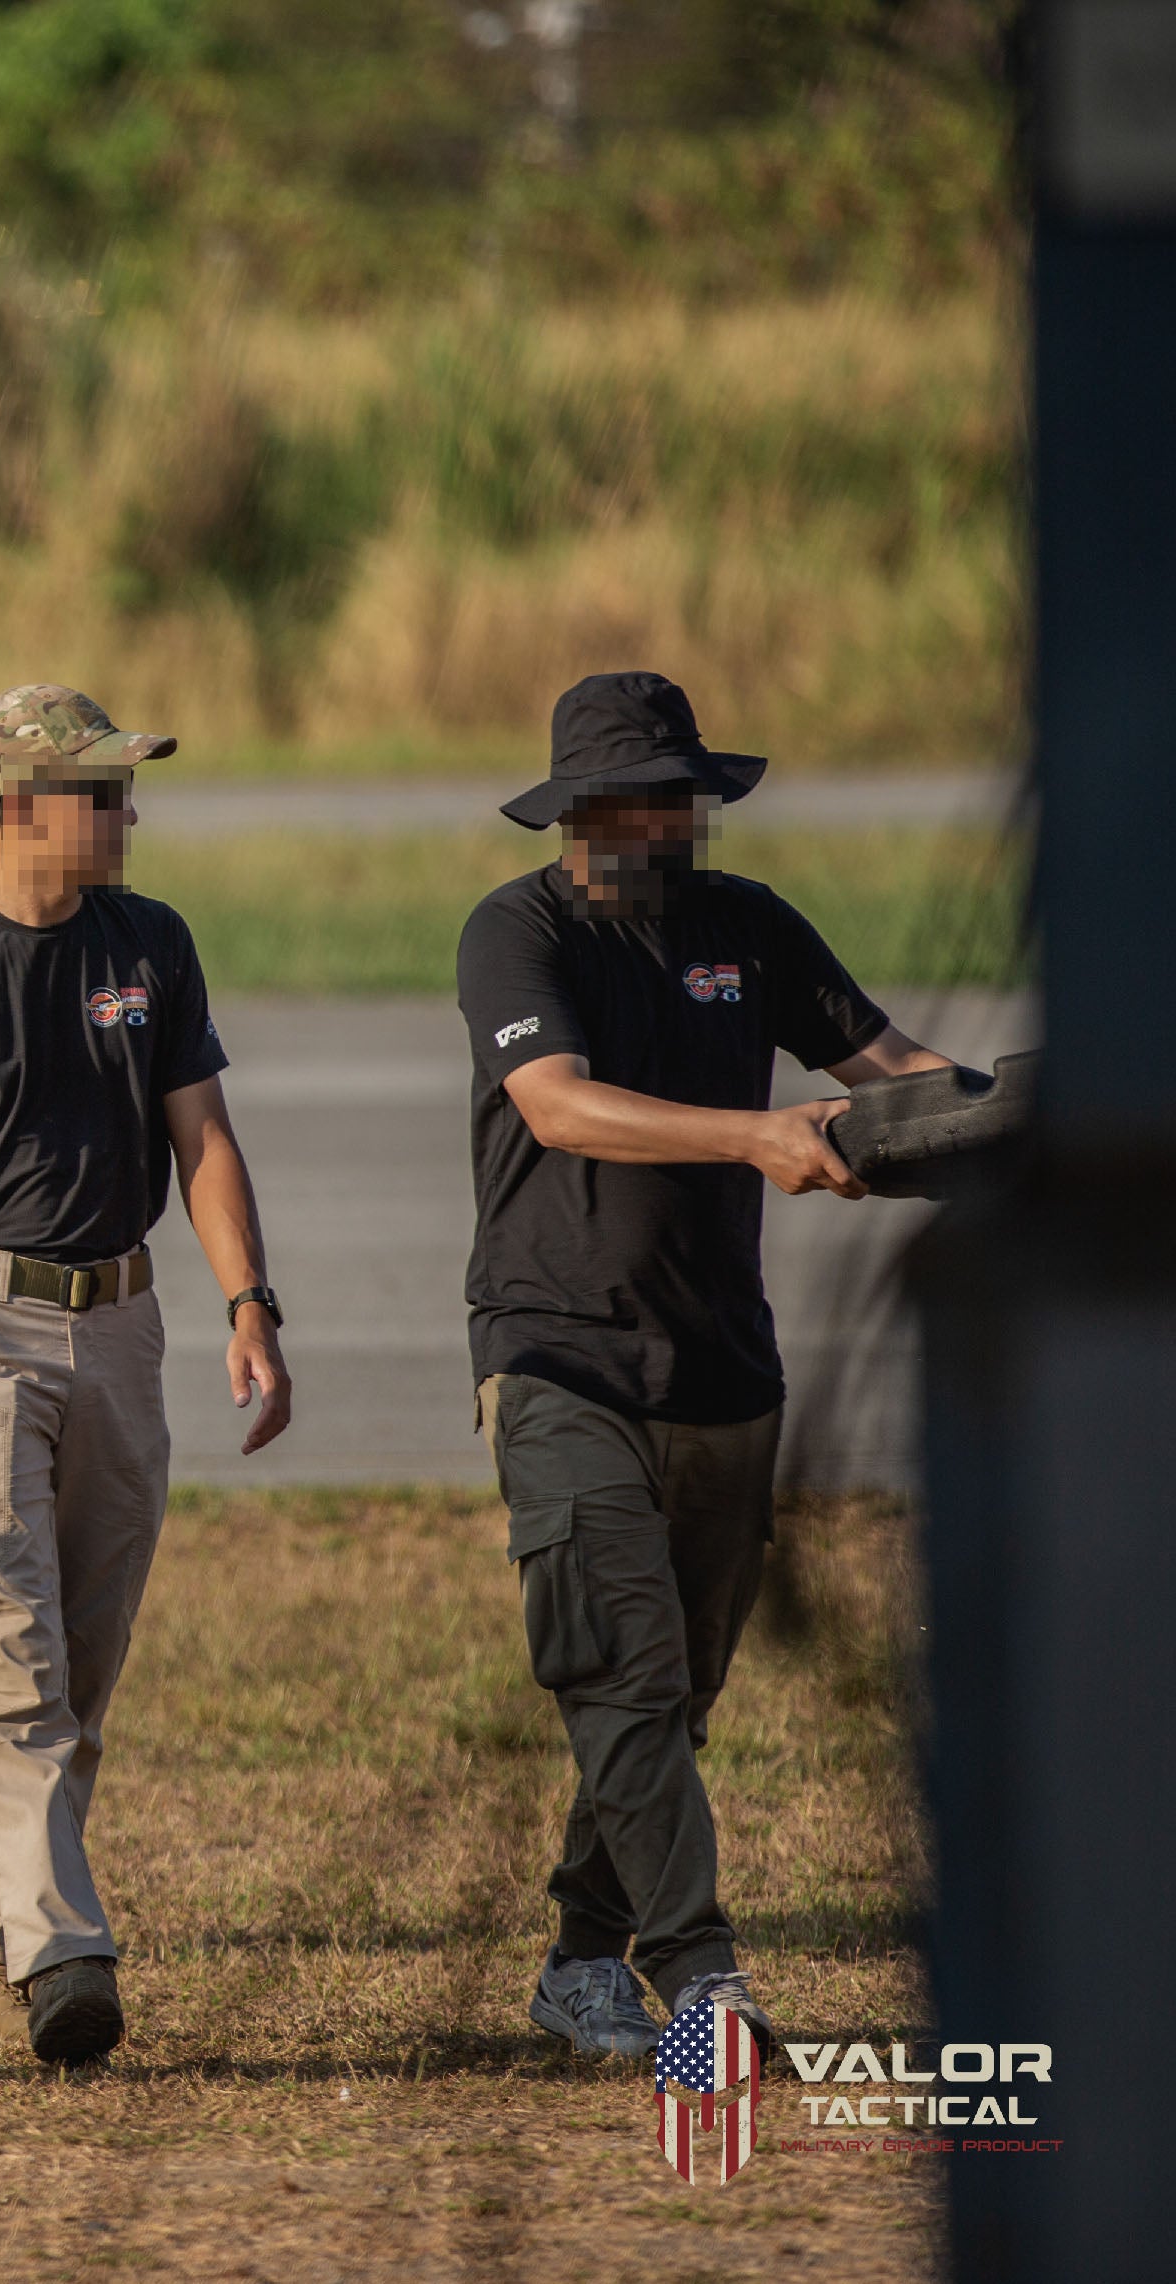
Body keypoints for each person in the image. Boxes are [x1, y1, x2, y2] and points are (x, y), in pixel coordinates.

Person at [459, 670, 962, 2064]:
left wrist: (1011, 1125)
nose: (660, 823)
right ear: (572, 810)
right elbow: (556, 1107)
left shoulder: (748, 927)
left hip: (726, 1368)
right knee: (622, 1672)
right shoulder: (517, 933)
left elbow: (892, 1071)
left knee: (672, 1699)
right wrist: (751, 1136)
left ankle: (579, 1962)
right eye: (630, 799)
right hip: (559, 1355)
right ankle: (701, 1976)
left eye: (678, 799)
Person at [0, 684, 293, 2067]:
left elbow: (202, 1139)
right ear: (20, 805)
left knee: (79, 1668)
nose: (129, 812)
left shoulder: (151, 944)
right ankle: (67, 1959)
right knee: (17, 1658)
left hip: (126, 1327)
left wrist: (249, 1302)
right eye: (101, 789)